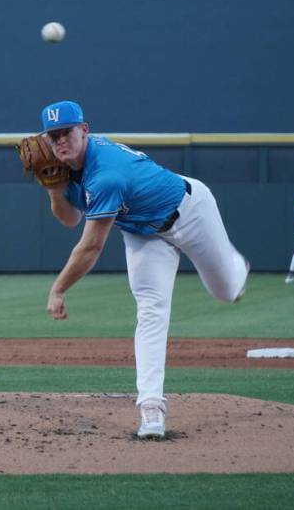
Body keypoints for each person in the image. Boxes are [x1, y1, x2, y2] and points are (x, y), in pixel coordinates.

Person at [37, 100, 249, 439]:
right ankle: (151, 408)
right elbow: (69, 219)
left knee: (227, 291)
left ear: (84, 131)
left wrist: (58, 288)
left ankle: (235, 266)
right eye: (52, 136)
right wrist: (54, 192)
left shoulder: (105, 174)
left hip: (190, 211)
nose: (59, 141)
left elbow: (90, 247)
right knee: (151, 311)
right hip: (143, 233)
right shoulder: (67, 172)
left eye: (66, 132)